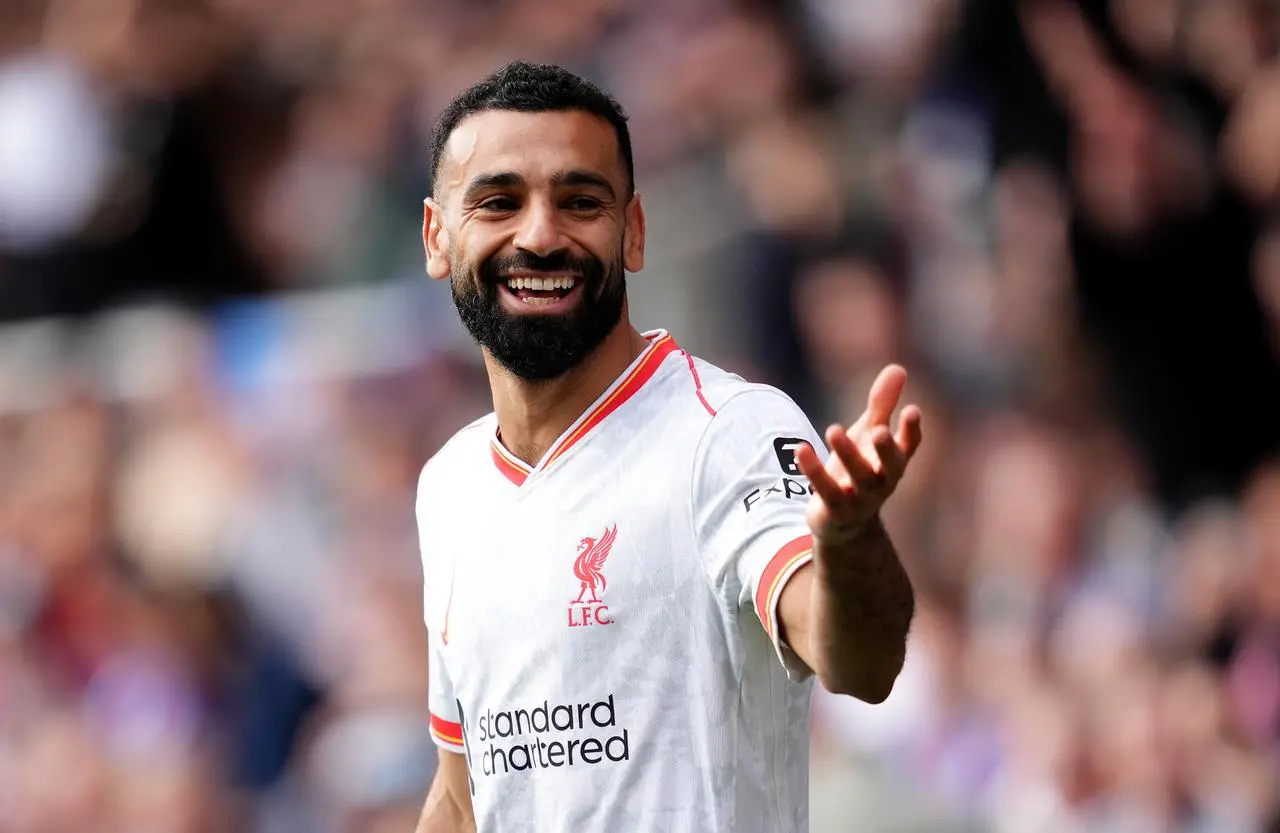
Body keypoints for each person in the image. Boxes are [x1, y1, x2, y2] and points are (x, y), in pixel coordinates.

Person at [414, 61, 923, 833]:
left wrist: (850, 542)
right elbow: (460, 797)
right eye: (498, 201)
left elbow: (861, 662)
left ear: (635, 231)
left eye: (580, 200)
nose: (541, 233)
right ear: (437, 235)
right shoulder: (449, 486)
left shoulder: (727, 432)